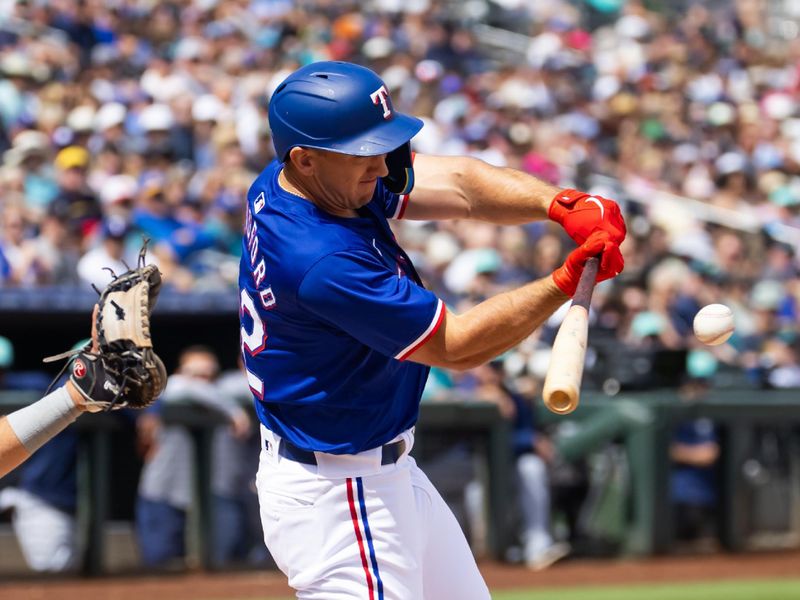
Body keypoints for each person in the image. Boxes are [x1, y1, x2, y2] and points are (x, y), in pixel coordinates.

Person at [240, 61, 626, 599]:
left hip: (379, 473)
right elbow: (457, 346)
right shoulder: (320, 259)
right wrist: (563, 281)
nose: (379, 164)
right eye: (363, 152)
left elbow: (460, 186)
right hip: (340, 495)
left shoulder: (304, 179)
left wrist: (561, 205)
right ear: (305, 159)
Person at [135, 345, 250, 568]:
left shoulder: (222, 393)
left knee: (219, 568)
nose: (202, 381)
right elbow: (183, 387)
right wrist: (234, 411)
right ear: (180, 372)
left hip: (210, 498)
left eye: (209, 375)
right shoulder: (172, 391)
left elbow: (243, 385)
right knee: (160, 567)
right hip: (164, 494)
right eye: (195, 374)